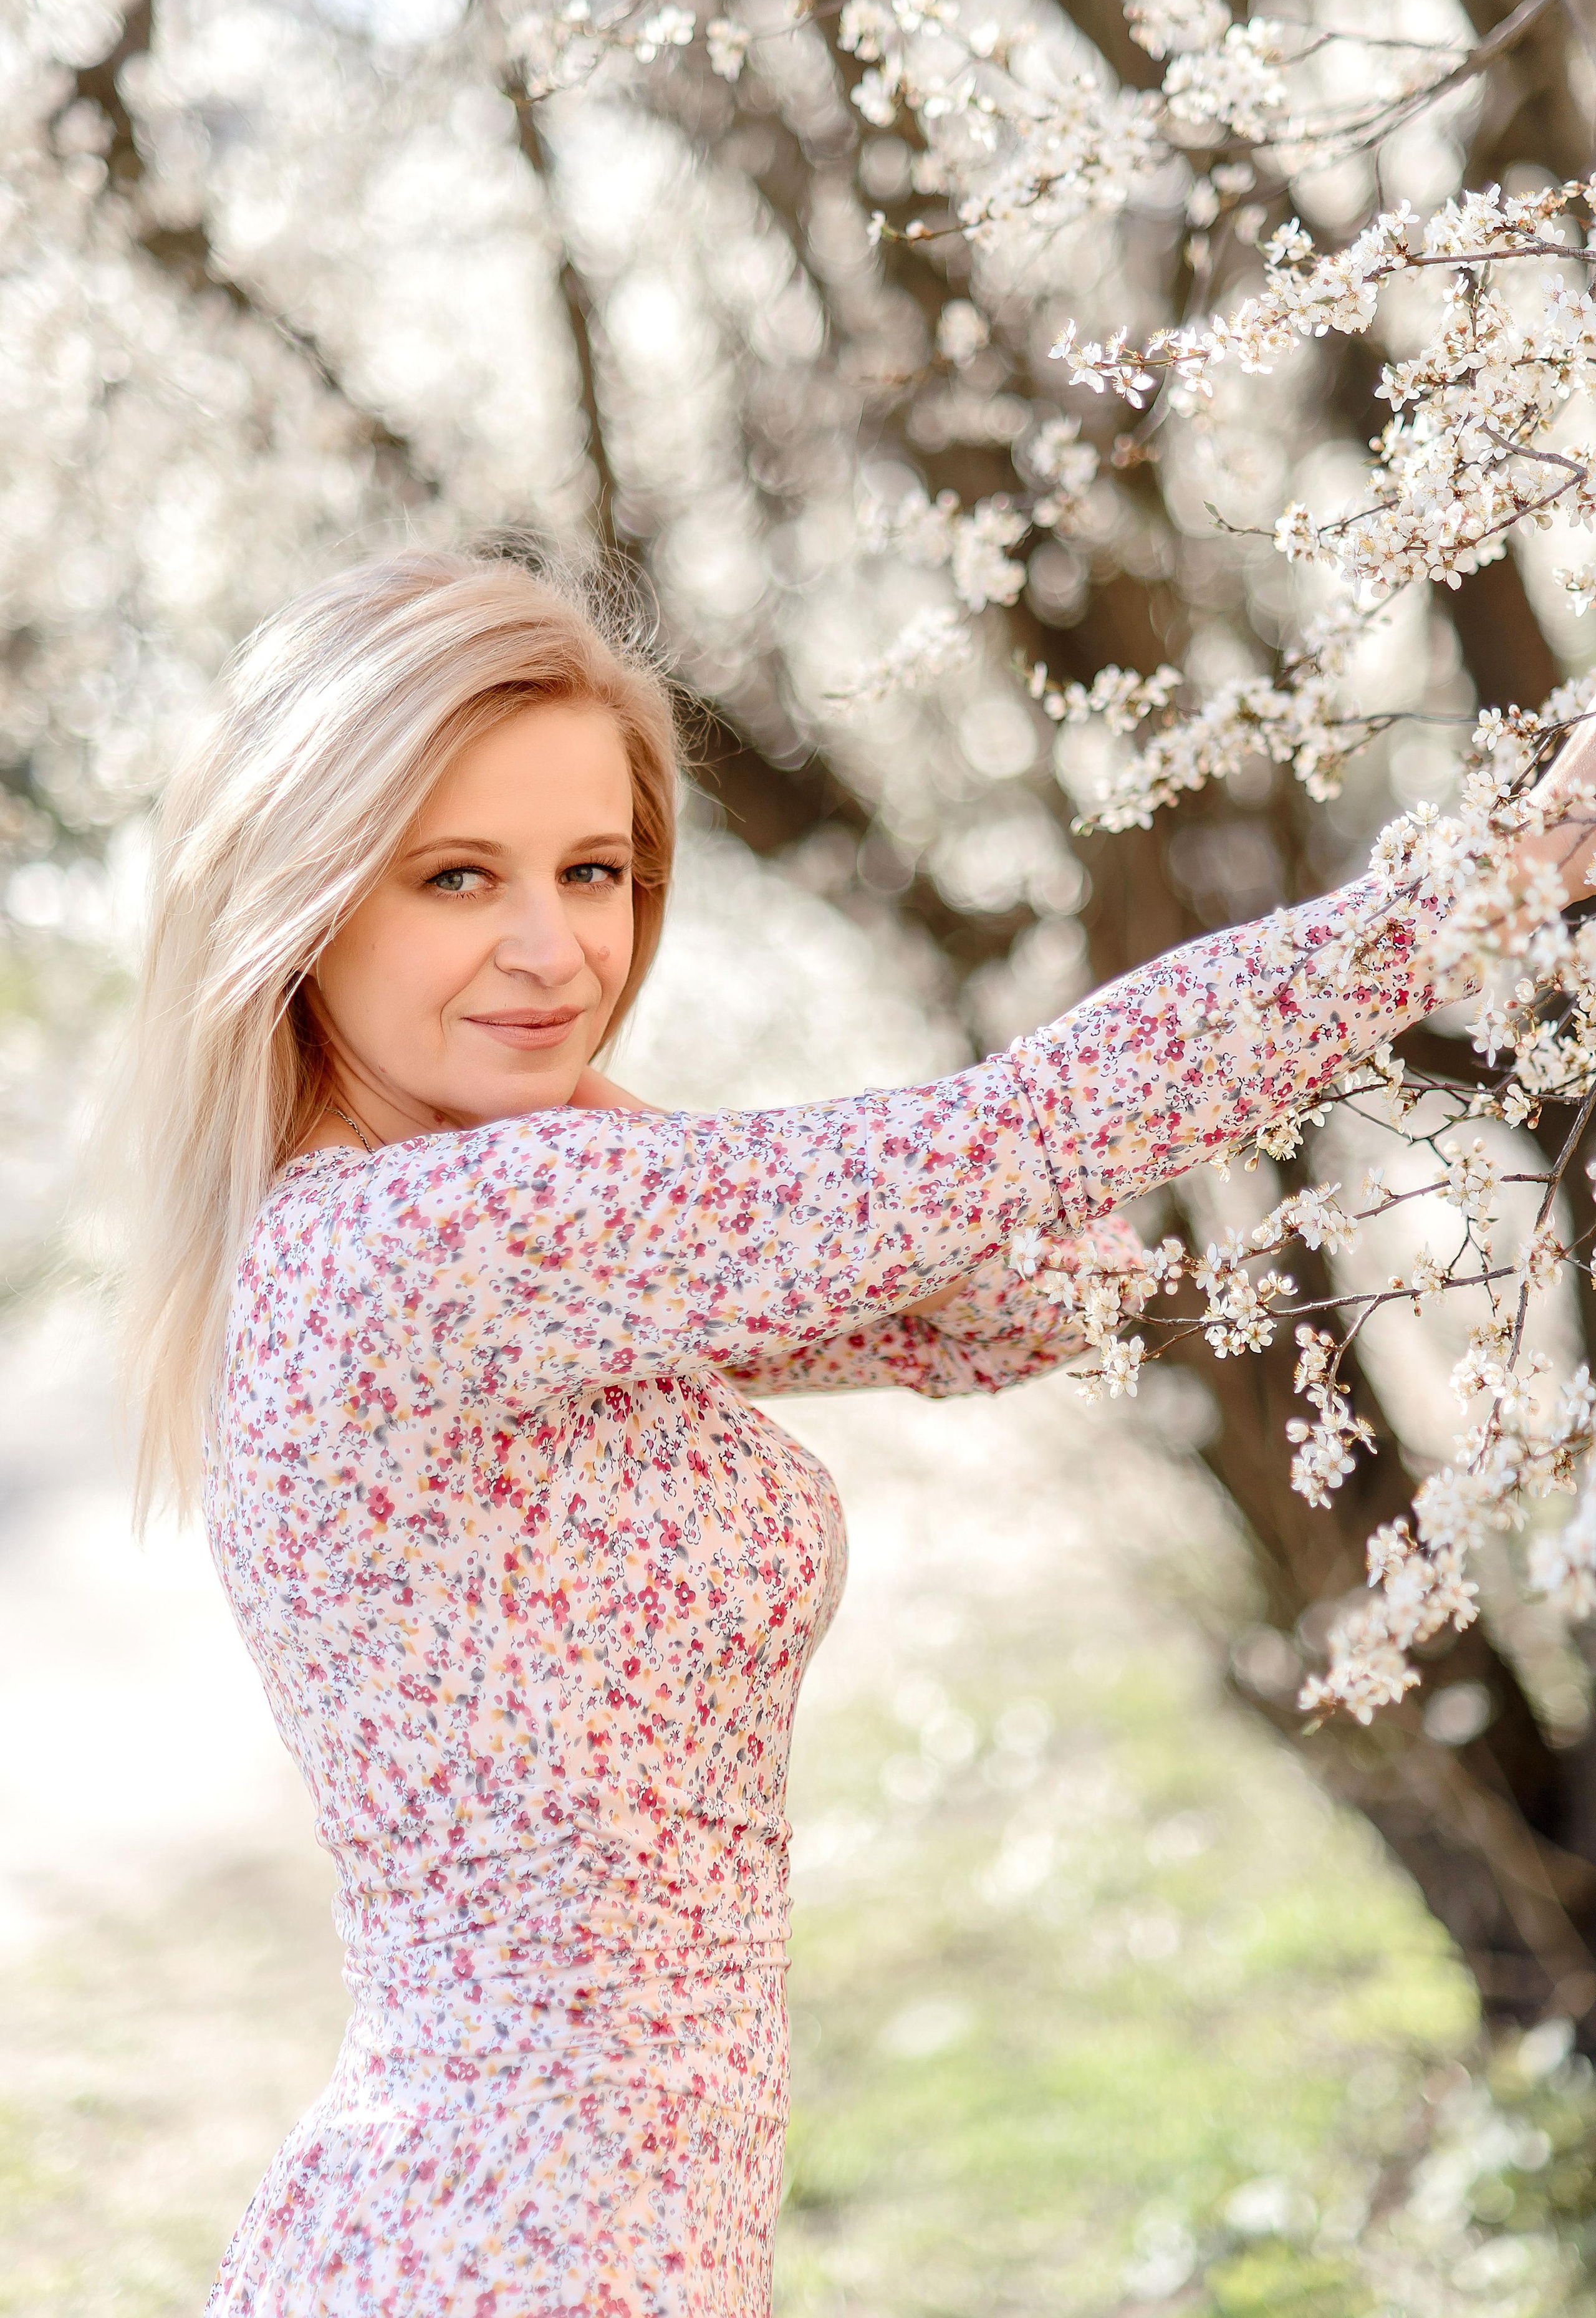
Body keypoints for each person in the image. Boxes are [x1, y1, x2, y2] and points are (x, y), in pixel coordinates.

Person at [110, 547, 1596, 2316]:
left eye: (594, 871)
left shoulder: (442, 1225)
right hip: (512, 2254)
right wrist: (1468, 896)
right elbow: (1011, 1146)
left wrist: (654, 1142)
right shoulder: (430, 1246)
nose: (549, 949)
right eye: (453, 877)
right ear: (306, 897)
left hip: (567, 2233)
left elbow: (1007, 1309)